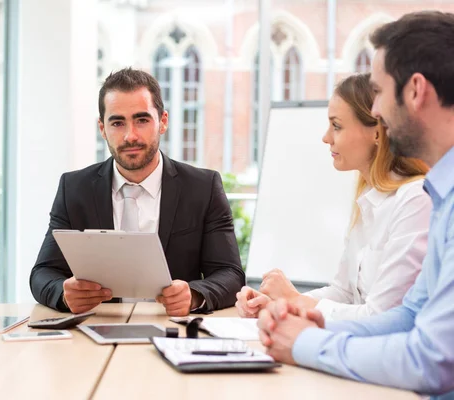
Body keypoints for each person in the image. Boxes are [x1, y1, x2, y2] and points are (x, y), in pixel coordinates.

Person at [257, 11, 454, 399]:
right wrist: (309, 324)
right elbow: (408, 317)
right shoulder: (442, 195)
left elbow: (433, 359)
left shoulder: (426, 199)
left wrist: (305, 343)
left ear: (415, 90)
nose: (376, 111)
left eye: (379, 91)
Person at [30, 68, 244, 316]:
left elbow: (231, 274)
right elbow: (42, 274)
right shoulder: (74, 188)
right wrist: (64, 294)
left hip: (173, 329)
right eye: (117, 123)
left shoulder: (203, 188)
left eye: (141, 120)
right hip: (98, 329)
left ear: (162, 121)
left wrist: (195, 295)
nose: (130, 136)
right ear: (102, 128)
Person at [236, 73, 431, 321]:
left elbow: (382, 317)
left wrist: (296, 301)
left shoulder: (415, 200)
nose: (326, 137)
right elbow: (344, 293)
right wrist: (282, 305)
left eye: (337, 126)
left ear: (378, 132)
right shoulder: (368, 198)